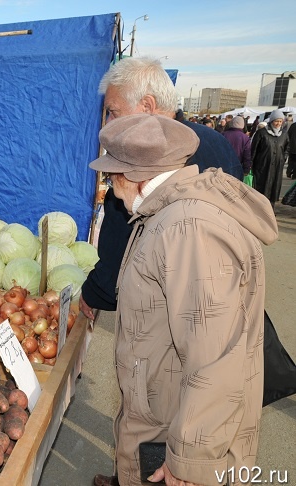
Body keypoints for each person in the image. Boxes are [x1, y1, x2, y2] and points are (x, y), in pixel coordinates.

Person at [90, 114, 278, 486]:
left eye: (111, 177)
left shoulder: (187, 229)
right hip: (165, 412)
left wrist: (190, 461)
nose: (111, 189)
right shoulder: (169, 214)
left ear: (134, 176)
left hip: (176, 434)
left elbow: (215, 357)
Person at [79, 57, 242, 320]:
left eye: (113, 111)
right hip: (227, 301)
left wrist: (94, 291)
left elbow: (118, 252)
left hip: (166, 320)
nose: (108, 122)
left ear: (147, 106)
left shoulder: (141, 164)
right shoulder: (217, 142)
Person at [250, 109, 290, 205]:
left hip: (277, 168)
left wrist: (283, 158)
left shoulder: (284, 135)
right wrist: (251, 164)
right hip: (262, 167)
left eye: (280, 121)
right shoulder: (262, 133)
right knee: (260, 191)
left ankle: (270, 212)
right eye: (276, 121)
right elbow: (253, 150)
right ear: (272, 121)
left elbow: (287, 148)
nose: (278, 123)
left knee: (273, 190)